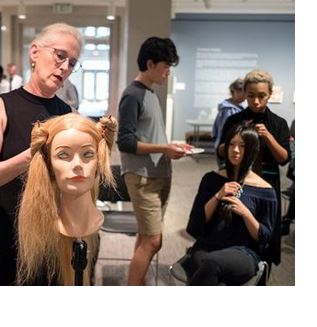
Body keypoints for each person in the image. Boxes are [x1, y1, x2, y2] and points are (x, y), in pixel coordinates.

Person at [0, 22, 80, 285]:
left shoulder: (68, 115)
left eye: (72, 63)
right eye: (60, 56)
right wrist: (33, 155)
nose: (65, 67)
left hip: (46, 234)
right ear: (35, 53)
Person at [116, 36, 189, 286]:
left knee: (147, 237)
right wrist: (164, 148)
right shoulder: (132, 95)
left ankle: (139, 282)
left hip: (157, 174)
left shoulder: (149, 93)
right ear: (150, 64)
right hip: (142, 176)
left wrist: (172, 146)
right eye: (165, 67)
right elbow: (124, 142)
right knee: (154, 241)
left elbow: (149, 135)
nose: (168, 73)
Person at [16, 114, 116, 286]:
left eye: (87, 154)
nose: (77, 164)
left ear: (98, 162)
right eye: (63, 155)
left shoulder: (95, 237)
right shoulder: (41, 243)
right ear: (49, 165)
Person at [184, 124, 277, 285]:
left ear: (253, 151)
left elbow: (264, 238)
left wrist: (246, 213)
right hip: (208, 246)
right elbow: (196, 222)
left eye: (242, 146)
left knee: (212, 265)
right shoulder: (211, 179)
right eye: (232, 144)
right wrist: (217, 196)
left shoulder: (265, 191)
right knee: (215, 276)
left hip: (243, 252)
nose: (235, 150)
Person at [217, 69, 290, 265]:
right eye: (251, 96)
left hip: (268, 184)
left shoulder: (278, 123)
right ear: (245, 94)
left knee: (266, 234)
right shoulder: (235, 120)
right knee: (235, 229)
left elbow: (284, 158)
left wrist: (268, 137)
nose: (256, 101)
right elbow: (221, 151)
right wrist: (236, 140)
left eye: (261, 96)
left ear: (270, 94)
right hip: (238, 181)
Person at [212, 78, 245, 168]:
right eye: (244, 91)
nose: (246, 95)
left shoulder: (235, 107)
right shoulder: (229, 109)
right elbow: (228, 131)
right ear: (235, 91)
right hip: (228, 146)